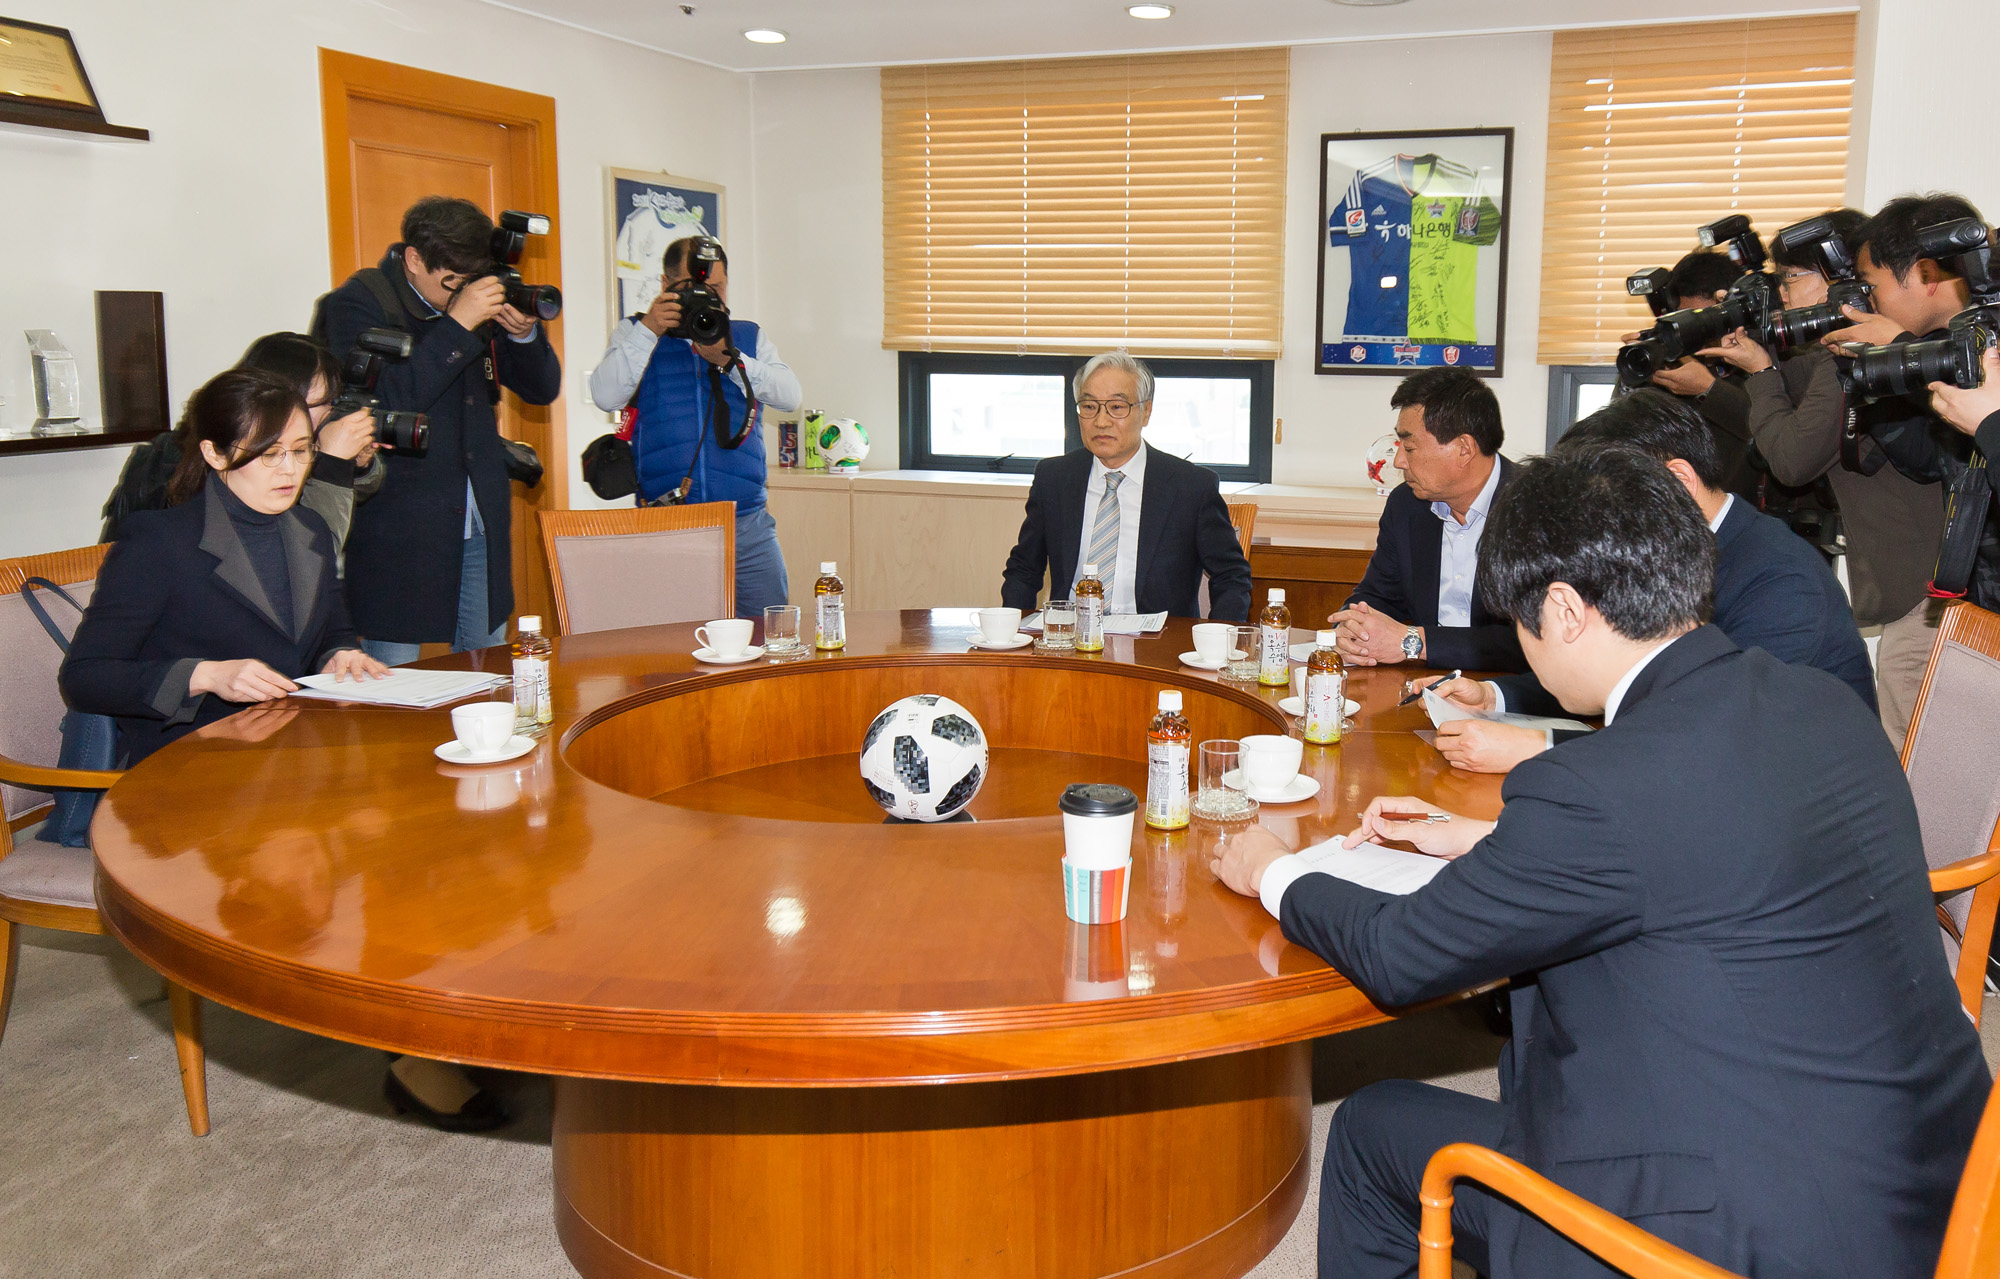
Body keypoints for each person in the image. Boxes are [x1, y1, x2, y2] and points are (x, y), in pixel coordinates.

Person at [1212, 443, 1991, 1279]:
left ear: (1564, 609)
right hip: (1938, 1192)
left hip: (1734, 1246)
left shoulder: (1601, 784)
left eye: (1520, 622)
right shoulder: (1820, 700)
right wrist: (1480, 839)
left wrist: (1272, 870)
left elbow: (1403, 955)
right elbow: (1710, 844)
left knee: (1371, 1130)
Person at [1425, 389, 1875, 772]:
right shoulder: (1657, 557)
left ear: (1678, 479)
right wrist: (1495, 696)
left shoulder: (1781, 580)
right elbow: (1613, 668)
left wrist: (1539, 748)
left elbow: (1709, 737)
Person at [1696, 208, 1946, 746]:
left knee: (1918, 763)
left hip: (1928, 602)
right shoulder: (1834, 354)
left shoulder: (1861, 354)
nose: (1782, 292)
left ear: (1841, 277)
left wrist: (1760, 370)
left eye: (1791, 277)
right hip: (1921, 593)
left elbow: (1791, 458)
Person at [60, 369, 388, 764]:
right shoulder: (160, 542)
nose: (289, 469)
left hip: (293, 749)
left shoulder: (311, 528)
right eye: (269, 454)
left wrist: (339, 655)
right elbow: (85, 677)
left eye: (301, 450)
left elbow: (332, 633)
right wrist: (204, 676)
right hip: (191, 758)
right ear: (215, 454)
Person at [322, 195, 562, 664]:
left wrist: (523, 334)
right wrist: (459, 323)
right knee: (392, 678)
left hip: (479, 511)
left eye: (472, 279)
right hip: (398, 523)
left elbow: (541, 389)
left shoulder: (472, 292)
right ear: (414, 259)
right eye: (451, 280)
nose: (462, 291)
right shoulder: (359, 302)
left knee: (486, 668)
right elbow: (381, 403)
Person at [1822, 192, 1986, 729]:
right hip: (1970, 597)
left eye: (1873, 284)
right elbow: (1926, 461)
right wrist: (1884, 370)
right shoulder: (1942, 345)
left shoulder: (1983, 344)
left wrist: (1900, 347)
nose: (1869, 299)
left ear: (1925, 273)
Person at [588, 236, 802, 619]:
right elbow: (606, 395)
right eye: (693, 287)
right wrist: (649, 330)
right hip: (667, 526)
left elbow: (790, 396)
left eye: (716, 287)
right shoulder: (635, 333)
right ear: (665, 284)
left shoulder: (747, 335)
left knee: (770, 635)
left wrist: (731, 360)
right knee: (672, 642)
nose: (707, 296)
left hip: (746, 525)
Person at [999, 351, 1252, 620]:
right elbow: (1024, 569)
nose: (1101, 421)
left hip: (1157, 640)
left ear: (1146, 411)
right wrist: (1012, 632)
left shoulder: (1191, 487)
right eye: (1089, 406)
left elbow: (1231, 576)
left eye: (1117, 407)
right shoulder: (1054, 478)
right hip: (1070, 635)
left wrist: (1216, 638)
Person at [99, 333, 382, 549]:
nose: (331, 414)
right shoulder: (226, 462)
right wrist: (333, 464)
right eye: (323, 403)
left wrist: (357, 465)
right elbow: (310, 559)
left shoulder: (264, 445)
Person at [1330, 367, 1525, 671]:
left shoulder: (1537, 508)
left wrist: (1416, 642)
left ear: (1463, 449)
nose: (1398, 461)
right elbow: (1378, 596)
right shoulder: (1407, 505)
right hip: (1425, 682)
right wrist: (1353, 629)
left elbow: (1534, 641)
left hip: (1508, 687)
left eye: (1409, 447)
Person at [1626, 249, 1762, 502]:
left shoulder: (1762, 360)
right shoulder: (1669, 360)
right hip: (1669, 509)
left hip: (1739, 510)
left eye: (1707, 321)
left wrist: (1709, 388)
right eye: (1687, 320)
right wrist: (1640, 371)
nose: (1696, 332)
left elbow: (1774, 432)